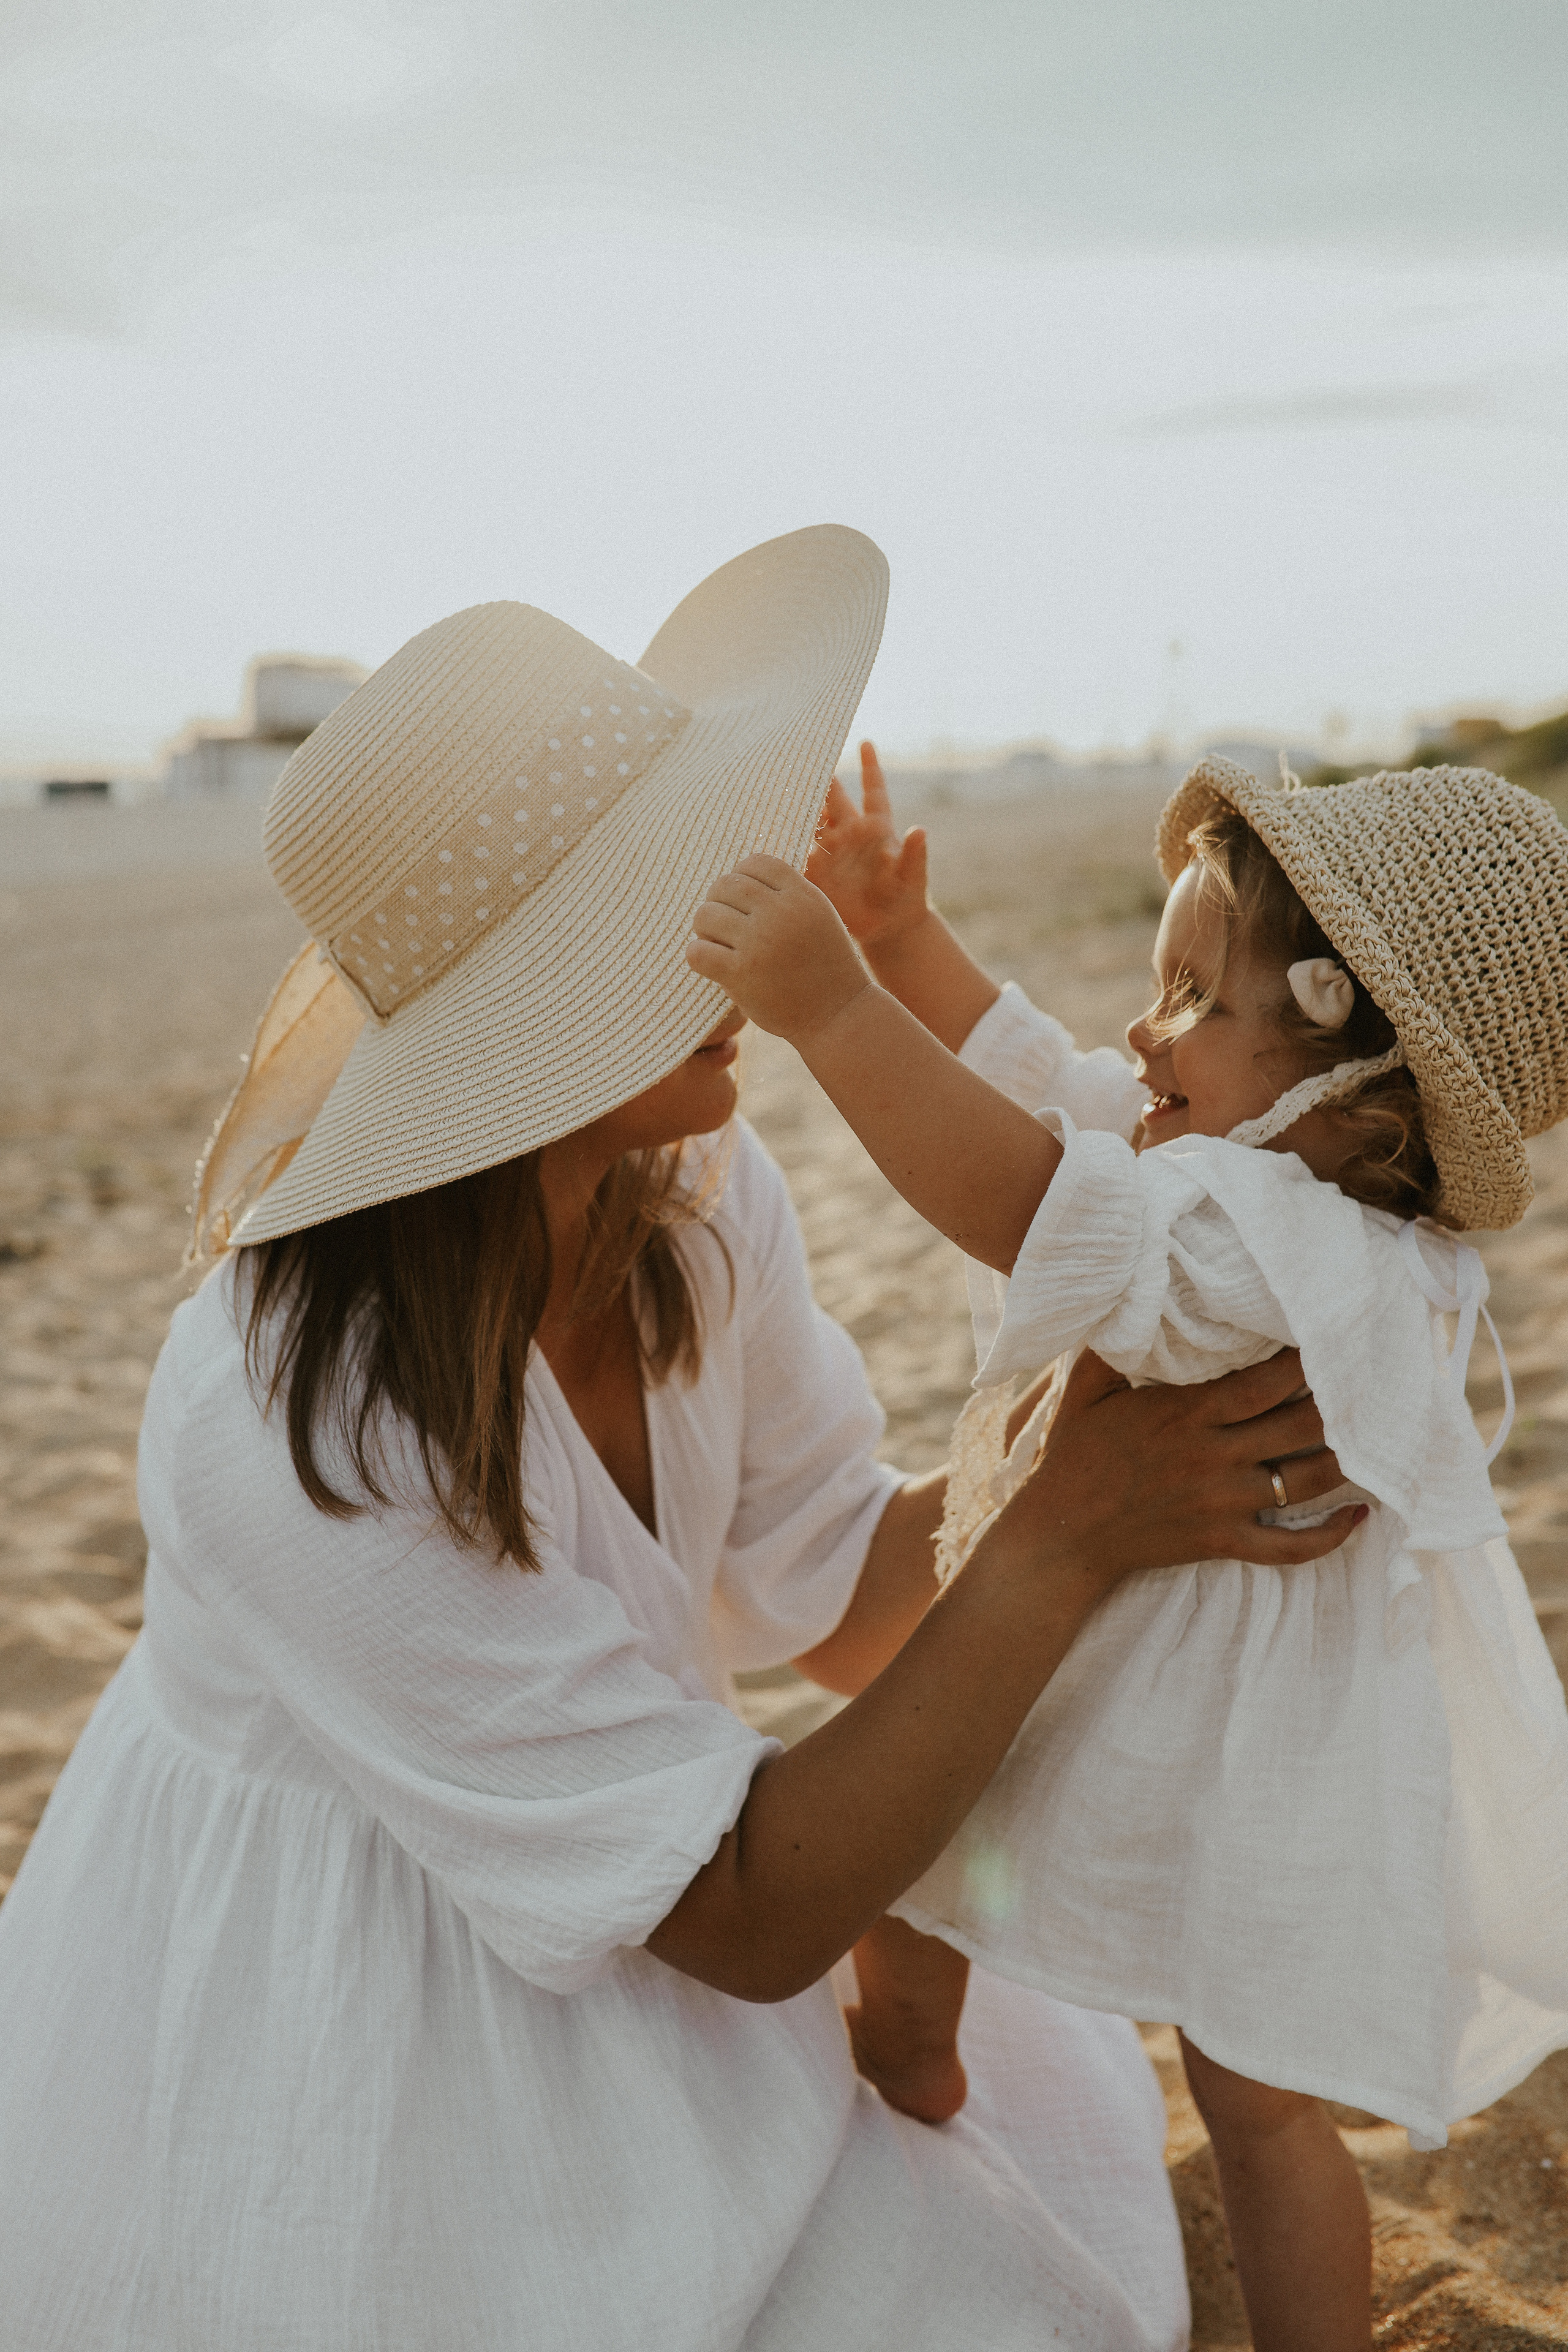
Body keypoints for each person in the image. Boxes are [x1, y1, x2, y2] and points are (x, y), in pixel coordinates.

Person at [0, 532, 1356, 2352]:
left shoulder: (696, 1188)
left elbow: (845, 1581)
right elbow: (745, 1919)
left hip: (658, 1849)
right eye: (660, 890)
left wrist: (1127, 1460)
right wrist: (1067, 1535)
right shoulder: (280, 1417)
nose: (744, 902)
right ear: (524, 1015)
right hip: (352, 1997)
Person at [688, 742, 1568, 2352]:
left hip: (1172, 1719)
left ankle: (914, 2067)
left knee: (968, 1903)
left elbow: (1027, 1191)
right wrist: (903, 946)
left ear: (1346, 1085)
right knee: (1238, 2091)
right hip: (1227, 1726)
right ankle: (938, 2077)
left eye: (1195, 1001)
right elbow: (1051, 1082)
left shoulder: (1259, 1239)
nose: (1149, 1033)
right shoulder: (1297, 1193)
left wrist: (835, 1011)